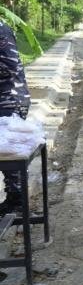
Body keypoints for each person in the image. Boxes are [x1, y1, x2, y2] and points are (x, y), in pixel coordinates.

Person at [0, 21, 31, 215]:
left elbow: (9, 66)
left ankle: (18, 202)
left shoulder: (1, 30)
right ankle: (15, 199)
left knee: (10, 156)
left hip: (9, 99)